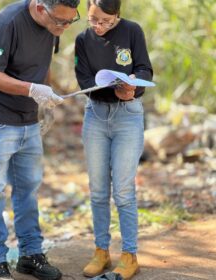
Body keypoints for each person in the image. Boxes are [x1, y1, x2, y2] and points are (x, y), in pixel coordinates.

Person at [0, 0, 80, 279]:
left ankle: (31, 255)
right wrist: (32, 89)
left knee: (27, 189)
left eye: (70, 22)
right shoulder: (8, 22)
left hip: (27, 121)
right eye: (60, 22)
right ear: (41, 8)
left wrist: (45, 95)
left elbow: (43, 64)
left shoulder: (53, 25)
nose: (64, 28)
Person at [74, 0, 153, 279]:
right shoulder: (83, 39)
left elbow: (145, 69)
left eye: (106, 21)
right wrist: (109, 91)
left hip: (127, 117)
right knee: (97, 190)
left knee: (122, 190)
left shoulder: (132, 31)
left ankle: (129, 255)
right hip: (96, 116)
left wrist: (132, 87)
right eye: (93, 20)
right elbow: (83, 79)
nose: (98, 26)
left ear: (117, 16)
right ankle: (101, 251)